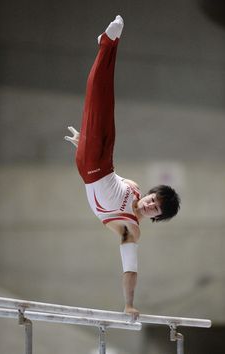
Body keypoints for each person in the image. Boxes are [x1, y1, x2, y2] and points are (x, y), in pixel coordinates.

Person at [65, 15, 180, 319]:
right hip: (101, 160)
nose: (151, 203)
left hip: (92, 167)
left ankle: (106, 44)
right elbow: (112, 180)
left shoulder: (131, 228)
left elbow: (130, 269)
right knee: (106, 100)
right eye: (154, 198)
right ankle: (109, 45)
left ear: (155, 217)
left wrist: (129, 303)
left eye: (156, 208)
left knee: (94, 101)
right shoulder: (134, 188)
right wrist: (84, 143)